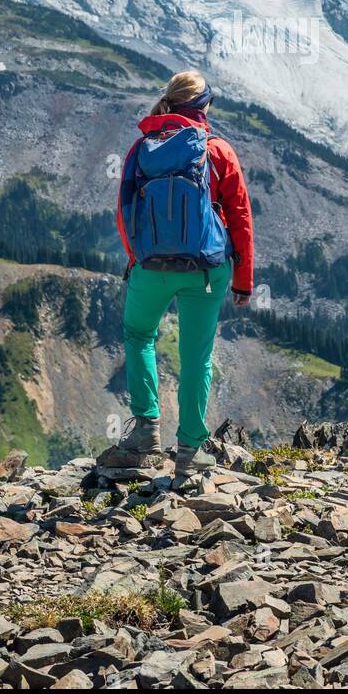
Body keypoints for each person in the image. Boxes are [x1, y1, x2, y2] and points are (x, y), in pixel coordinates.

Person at [100, 70, 254, 476]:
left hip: (150, 267)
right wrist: (243, 281)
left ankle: (146, 430)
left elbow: (124, 213)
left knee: (138, 334)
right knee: (196, 357)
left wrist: (138, 259)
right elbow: (240, 219)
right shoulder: (218, 150)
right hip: (206, 269)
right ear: (205, 107)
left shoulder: (141, 149)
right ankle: (189, 452)